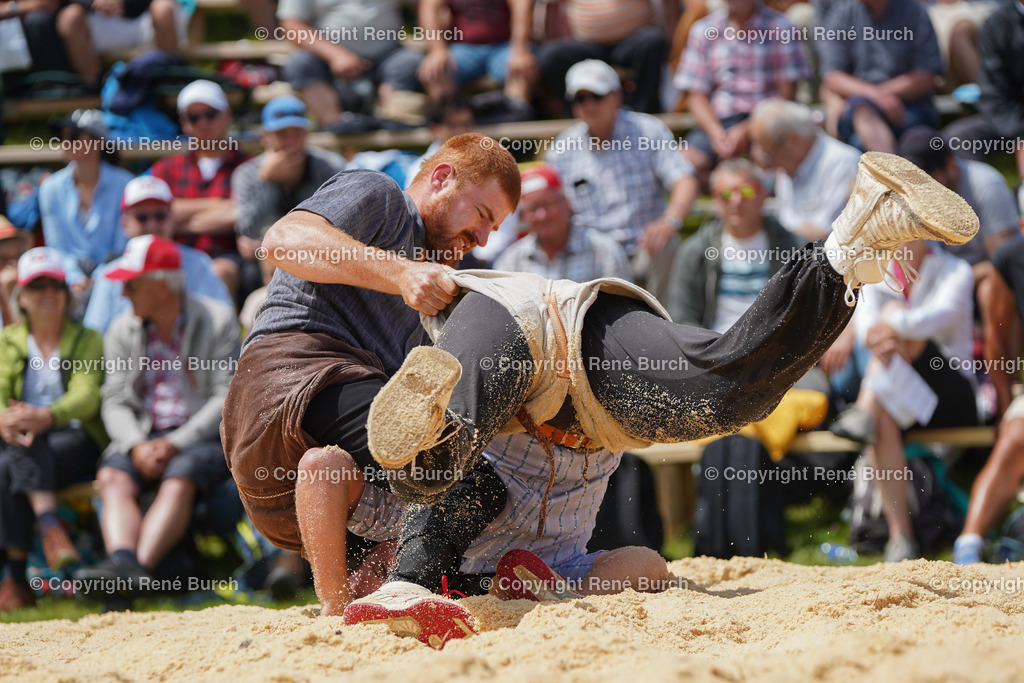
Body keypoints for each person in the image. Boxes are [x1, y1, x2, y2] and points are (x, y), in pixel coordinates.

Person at [345, 151, 979, 645]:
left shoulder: (447, 531)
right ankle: (852, 245)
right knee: (730, 391)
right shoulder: (556, 576)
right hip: (587, 378)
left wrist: (388, 573)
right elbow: (641, 566)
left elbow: (440, 496)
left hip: (515, 323)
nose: (483, 232)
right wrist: (551, 595)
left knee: (440, 476)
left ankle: (411, 550)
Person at [219, 134, 521, 625]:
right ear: (442, 178)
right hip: (291, 381)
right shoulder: (380, 196)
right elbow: (281, 242)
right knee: (457, 471)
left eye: (493, 228)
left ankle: (359, 602)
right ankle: (406, 590)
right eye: (482, 216)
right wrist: (402, 272)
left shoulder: (425, 294)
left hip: (296, 472)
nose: (483, 239)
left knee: (479, 490)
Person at [74, 235, 238, 593]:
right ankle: (126, 564)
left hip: (197, 439)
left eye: (131, 284)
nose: (123, 294)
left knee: (180, 476)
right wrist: (135, 444)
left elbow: (224, 397)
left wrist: (173, 444)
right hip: (141, 435)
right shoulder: (122, 328)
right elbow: (114, 399)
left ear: (161, 286)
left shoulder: (217, 318)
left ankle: (130, 574)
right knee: (112, 476)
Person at [840, 239, 977, 562]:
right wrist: (884, 330)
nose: (899, 233)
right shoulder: (876, 269)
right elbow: (863, 328)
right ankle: (901, 538)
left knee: (900, 324)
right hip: (897, 389)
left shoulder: (956, 269)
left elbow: (934, 320)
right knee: (882, 419)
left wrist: (889, 325)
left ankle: (863, 409)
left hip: (951, 392)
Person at [0, 248, 107, 611]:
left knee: (15, 456)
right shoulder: (7, 340)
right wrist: (5, 419)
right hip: (22, 441)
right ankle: (51, 531)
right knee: (10, 460)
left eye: (56, 286)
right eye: (38, 286)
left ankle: (16, 579)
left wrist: (45, 415)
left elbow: (87, 396)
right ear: (22, 297)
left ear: (66, 294)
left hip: (74, 440)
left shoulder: (88, 337)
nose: (48, 294)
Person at [545, 59, 699, 303]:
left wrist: (669, 222)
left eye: (596, 95)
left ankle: (667, 329)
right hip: (592, 253)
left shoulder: (649, 131)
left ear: (617, 95)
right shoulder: (561, 150)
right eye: (580, 98)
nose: (588, 104)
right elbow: (553, 206)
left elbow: (684, 179)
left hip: (645, 247)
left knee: (667, 244)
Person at [897, 126, 1019, 418]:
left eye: (929, 180)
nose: (923, 191)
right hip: (937, 279)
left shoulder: (986, 186)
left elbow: (1004, 266)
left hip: (980, 283)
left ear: (950, 166)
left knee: (992, 289)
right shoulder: (916, 192)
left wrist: (959, 275)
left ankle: (1006, 398)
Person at [232, 94, 346, 323]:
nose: (291, 142)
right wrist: (267, 181)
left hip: (321, 258)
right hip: (265, 267)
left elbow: (343, 224)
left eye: (297, 133)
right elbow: (247, 229)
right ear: (265, 137)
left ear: (306, 134)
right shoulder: (248, 174)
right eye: (282, 134)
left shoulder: (330, 168)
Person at [674, 0, 810, 185]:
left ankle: (751, 195)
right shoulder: (703, 29)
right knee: (683, 164)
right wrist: (718, 135)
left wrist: (746, 130)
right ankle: (732, 193)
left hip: (767, 118)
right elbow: (696, 97)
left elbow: (787, 94)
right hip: (719, 121)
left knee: (768, 160)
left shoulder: (782, 27)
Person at [83, 175, 233, 334]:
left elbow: (223, 324)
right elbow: (95, 337)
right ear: (125, 223)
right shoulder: (108, 275)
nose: (152, 224)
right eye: (142, 217)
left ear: (172, 219)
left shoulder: (199, 263)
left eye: (159, 216)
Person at [149, 80, 249, 301]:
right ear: (184, 123)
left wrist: (179, 217)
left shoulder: (248, 166)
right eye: (194, 117)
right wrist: (218, 205)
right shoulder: (166, 167)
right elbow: (153, 214)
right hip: (174, 254)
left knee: (219, 272)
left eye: (210, 114)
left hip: (226, 256)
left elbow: (243, 213)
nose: (202, 122)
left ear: (227, 115)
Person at [277, 0, 423, 132]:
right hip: (325, 59)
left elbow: (425, 5)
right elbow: (291, 26)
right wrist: (335, 55)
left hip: (387, 56)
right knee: (300, 63)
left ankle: (391, 123)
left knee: (410, 61)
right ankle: (334, 125)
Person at [818, 0, 944, 152]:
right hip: (856, 105)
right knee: (861, 113)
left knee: (915, 142)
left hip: (909, 106)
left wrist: (879, 95)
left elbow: (926, 77)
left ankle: (887, 173)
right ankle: (889, 174)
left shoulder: (914, 11)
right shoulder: (842, 13)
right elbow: (832, 77)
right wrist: (875, 95)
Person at [38, 109, 133, 302]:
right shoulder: (50, 188)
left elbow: (122, 246)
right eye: (63, 136)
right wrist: (75, 278)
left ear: (98, 143)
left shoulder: (125, 184)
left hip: (114, 279)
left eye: (73, 136)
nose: (65, 142)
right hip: (68, 279)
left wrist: (100, 279)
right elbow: (57, 247)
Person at [493, 164, 631, 282]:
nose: (542, 216)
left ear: (566, 203)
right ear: (523, 215)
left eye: (548, 205)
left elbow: (623, 308)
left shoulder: (604, 252)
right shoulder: (511, 261)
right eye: (533, 209)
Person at [748, 98, 862, 242]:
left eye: (769, 154)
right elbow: (787, 222)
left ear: (792, 140)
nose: (767, 164)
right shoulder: (789, 163)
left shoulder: (843, 163)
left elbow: (823, 234)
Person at [538, 0, 679, 115]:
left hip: (633, 42)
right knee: (550, 55)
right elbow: (552, 7)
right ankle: (577, 115)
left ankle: (644, 115)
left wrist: (674, 45)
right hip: (587, 46)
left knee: (653, 40)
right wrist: (552, 40)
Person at [416, 0, 536, 122]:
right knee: (436, 70)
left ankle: (512, 126)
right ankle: (452, 127)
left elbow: (522, 8)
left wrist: (521, 49)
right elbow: (428, 10)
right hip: (464, 48)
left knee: (521, 67)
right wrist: (437, 49)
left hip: (504, 46)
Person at [54, 0, 186, 88]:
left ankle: (166, 84)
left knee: (163, 8)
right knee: (69, 17)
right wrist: (94, 2)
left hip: (144, 16)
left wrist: (123, 2)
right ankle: (95, 90)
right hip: (98, 18)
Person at [0, 217, 30, 327]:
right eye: (3, 259)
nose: (13, 265)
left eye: (17, 257)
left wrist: (10, 293)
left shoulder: (36, 290)